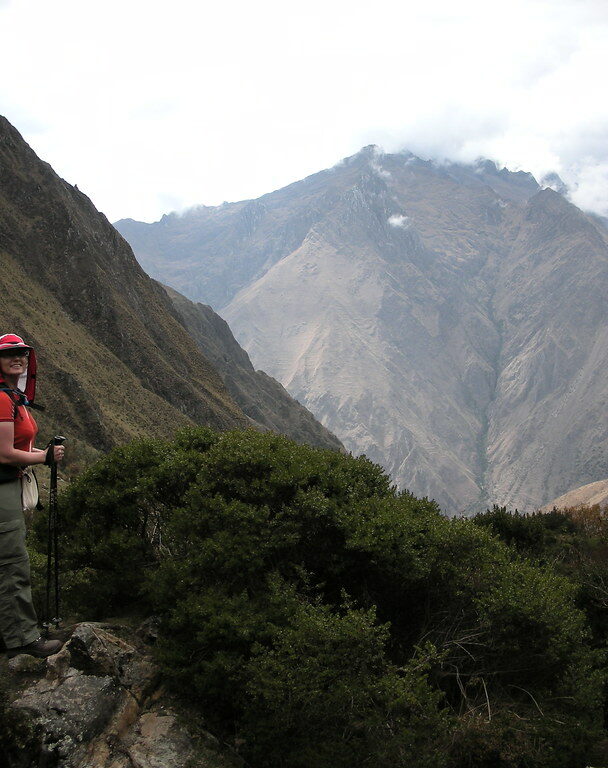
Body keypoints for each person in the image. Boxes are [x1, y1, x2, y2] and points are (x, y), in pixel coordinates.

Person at [0, 333, 65, 658]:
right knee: (12, 563)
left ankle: (8, 633)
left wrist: (41, 451)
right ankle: (23, 639)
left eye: (22, 353)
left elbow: (18, 446)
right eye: (10, 354)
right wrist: (44, 458)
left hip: (9, 485)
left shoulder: (13, 397)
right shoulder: (2, 398)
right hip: (3, 489)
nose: (18, 358)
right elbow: (5, 454)